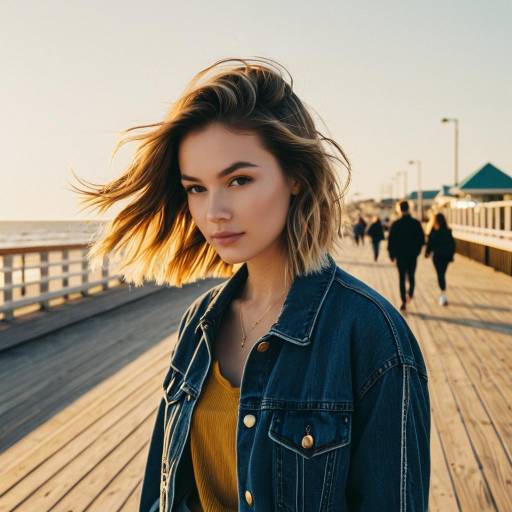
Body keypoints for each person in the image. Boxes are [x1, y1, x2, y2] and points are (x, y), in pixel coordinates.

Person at [72, 57, 430, 512]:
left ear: (296, 176)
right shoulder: (199, 323)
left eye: (238, 180)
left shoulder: (373, 337)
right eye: (196, 188)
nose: (213, 211)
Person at [388, 200, 425, 312]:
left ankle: (403, 301)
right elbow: (422, 239)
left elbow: (391, 240)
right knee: (412, 275)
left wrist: (392, 255)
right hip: (412, 255)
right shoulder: (416, 223)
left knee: (401, 278)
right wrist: (417, 252)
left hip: (400, 256)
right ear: (408, 208)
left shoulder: (396, 224)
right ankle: (411, 293)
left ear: (399, 209)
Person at [425, 212, 456, 306]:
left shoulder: (433, 231)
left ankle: (443, 295)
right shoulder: (448, 231)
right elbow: (453, 244)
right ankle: (443, 293)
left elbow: (430, 243)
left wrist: (427, 253)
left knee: (440, 274)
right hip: (446, 257)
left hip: (437, 257)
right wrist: (451, 255)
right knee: (442, 274)